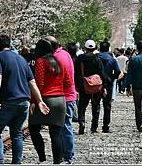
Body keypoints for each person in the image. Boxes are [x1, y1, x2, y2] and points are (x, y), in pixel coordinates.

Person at [0, 34, 49, 164]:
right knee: (16, 133)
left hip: (8, 100)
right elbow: (32, 82)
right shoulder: (21, 59)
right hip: (24, 102)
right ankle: (17, 162)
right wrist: (39, 100)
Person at [29, 39, 70, 164]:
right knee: (56, 134)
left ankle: (42, 158)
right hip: (60, 100)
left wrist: (34, 101)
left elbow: (39, 84)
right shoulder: (59, 62)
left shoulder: (40, 62)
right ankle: (57, 161)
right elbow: (68, 82)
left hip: (45, 99)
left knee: (33, 128)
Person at [45, 36, 77, 164]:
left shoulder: (57, 58)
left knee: (65, 127)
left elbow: (62, 79)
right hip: (67, 95)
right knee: (64, 127)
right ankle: (66, 155)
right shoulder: (65, 53)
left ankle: (68, 157)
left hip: (64, 96)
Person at [75, 39, 108, 135]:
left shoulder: (80, 58)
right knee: (96, 107)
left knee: (82, 106)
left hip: (83, 86)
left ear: (85, 48)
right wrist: (104, 86)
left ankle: (82, 122)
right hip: (96, 87)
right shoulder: (97, 59)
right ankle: (94, 127)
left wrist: (77, 85)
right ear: (94, 48)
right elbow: (102, 73)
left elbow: (76, 72)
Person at [97, 41, 122, 133]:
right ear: (108, 49)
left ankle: (94, 126)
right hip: (108, 84)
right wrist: (112, 78)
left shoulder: (96, 58)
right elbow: (118, 72)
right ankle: (105, 127)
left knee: (96, 105)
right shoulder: (112, 60)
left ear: (100, 48)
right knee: (107, 106)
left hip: (96, 84)